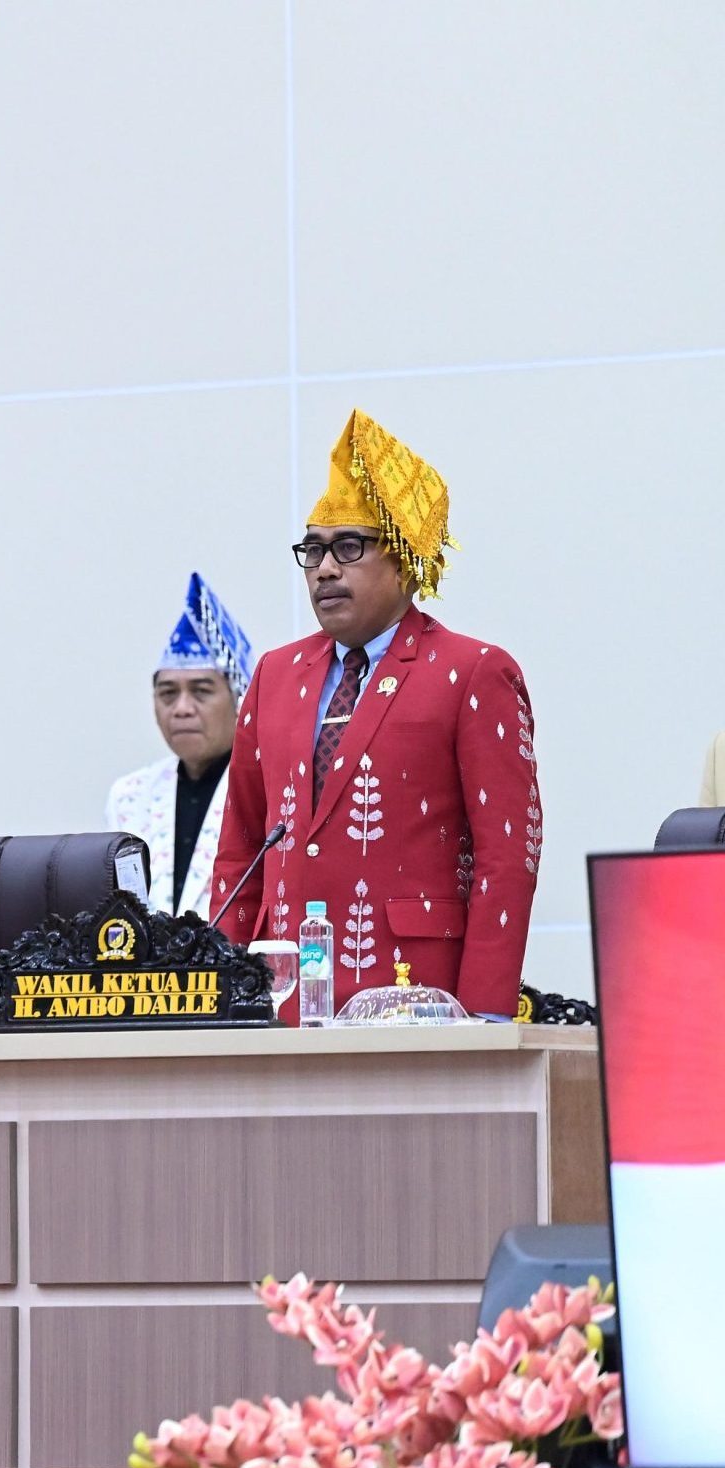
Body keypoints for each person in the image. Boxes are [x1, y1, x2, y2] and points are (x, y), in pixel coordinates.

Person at [212, 410, 540, 1015]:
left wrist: (482, 1018)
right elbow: (240, 850)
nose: (324, 569)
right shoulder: (275, 676)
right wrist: (221, 999)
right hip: (283, 1004)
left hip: (418, 1002)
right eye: (313, 550)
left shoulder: (473, 671)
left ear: (404, 558)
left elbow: (507, 856)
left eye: (348, 547)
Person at [106, 572, 255, 917]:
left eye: (201, 691)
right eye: (168, 693)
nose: (182, 708)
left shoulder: (267, 790)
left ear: (240, 701)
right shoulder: (129, 795)